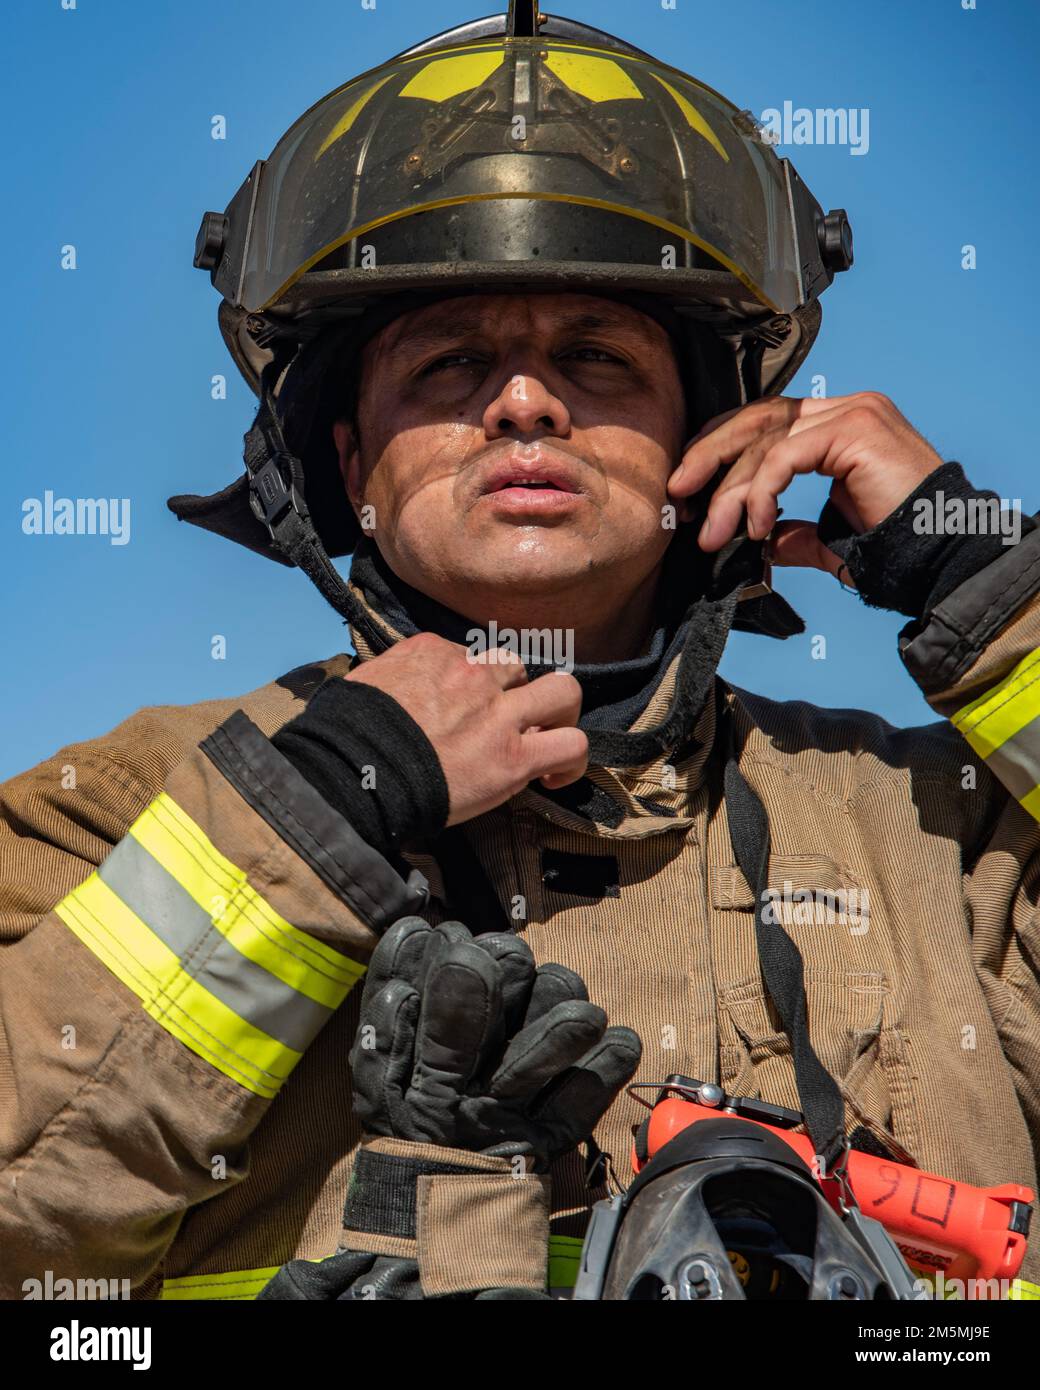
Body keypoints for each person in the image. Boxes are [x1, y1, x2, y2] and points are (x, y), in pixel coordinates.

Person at [2, 4, 1039, 1300]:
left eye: (596, 356)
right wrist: (316, 812)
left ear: (708, 437)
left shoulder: (939, 837)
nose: (527, 400)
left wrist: (985, 574)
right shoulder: (127, 810)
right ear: (345, 460)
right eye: (451, 361)